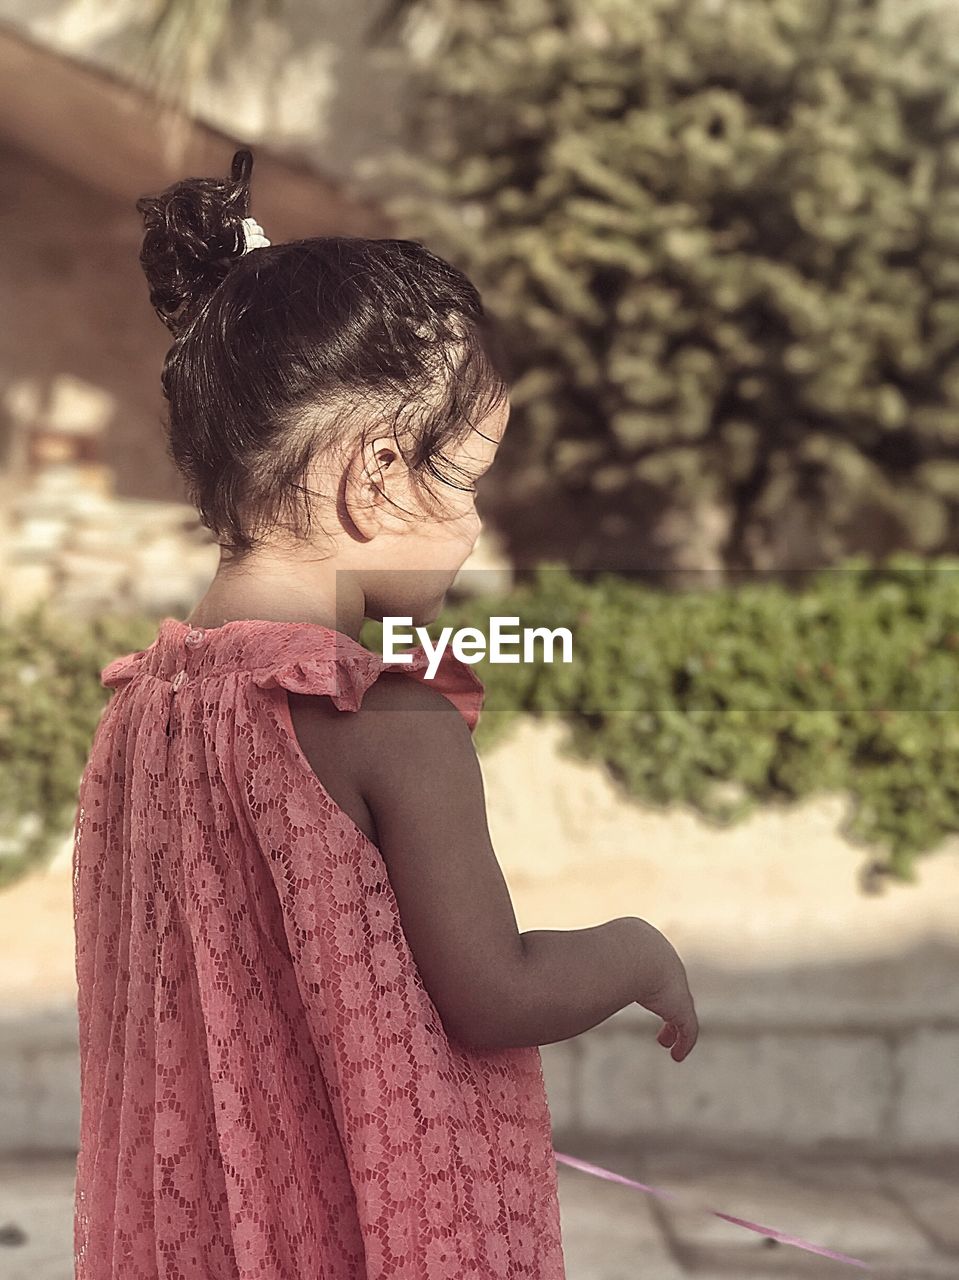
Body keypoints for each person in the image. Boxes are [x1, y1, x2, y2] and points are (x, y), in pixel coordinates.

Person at [72, 148, 698, 1279]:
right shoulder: (383, 720)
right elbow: (491, 989)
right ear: (374, 475)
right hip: (369, 1234)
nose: (471, 529)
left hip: (203, 1236)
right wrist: (634, 951)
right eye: (462, 481)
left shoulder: (142, 706)